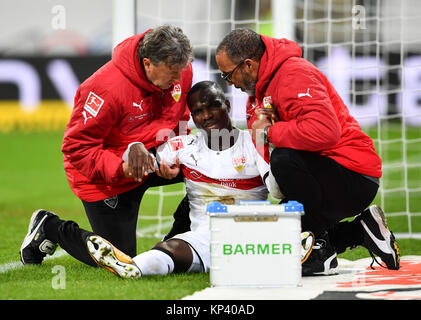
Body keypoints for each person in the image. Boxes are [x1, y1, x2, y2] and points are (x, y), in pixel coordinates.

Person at [20, 81, 287, 278]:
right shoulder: (185, 146)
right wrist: (133, 146)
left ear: (227, 105)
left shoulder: (252, 142)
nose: (206, 116)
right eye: (197, 111)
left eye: (212, 106)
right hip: (203, 237)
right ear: (192, 117)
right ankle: (128, 266)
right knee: (162, 255)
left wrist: (264, 143)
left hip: (251, 236)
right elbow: (141, 161)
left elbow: (276, 191)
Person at [214, 28, 400, 275]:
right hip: (327, 174)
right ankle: (360, 230)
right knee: (282, 231)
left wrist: (271, 132)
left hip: (353, 175)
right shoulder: (260, 90)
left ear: (248, 65)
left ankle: (320, 253)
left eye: (228, 75)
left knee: (284, 160)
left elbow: (326, 131)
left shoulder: (293, 74)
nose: (229, 83)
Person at [20, 25, 193, 267]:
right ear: (147, 63)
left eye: (181, 71)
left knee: (210, 170)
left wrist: (173, 154)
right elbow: (77, 148)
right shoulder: (104, 88)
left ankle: (175, 241)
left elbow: (179, 117)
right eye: (172, 72)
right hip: (105, 176)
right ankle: (49, 227)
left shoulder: (180, 70)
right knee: (120, 260)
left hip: (152, 157)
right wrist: (121, 169)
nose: (178, 79)